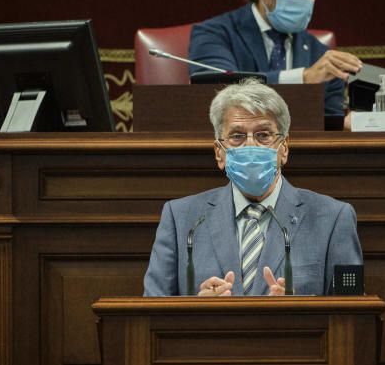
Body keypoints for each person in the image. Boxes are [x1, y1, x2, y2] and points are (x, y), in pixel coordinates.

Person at [143, 79, 362, 297]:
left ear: (284, 148)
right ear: (219, 152)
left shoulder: (333, 218)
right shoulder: (181, 218)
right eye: (237, 136)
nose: (250, 145)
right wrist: (195, 313)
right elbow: (151, 314)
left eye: (263, 135)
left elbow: (352, 318)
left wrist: (301, 313)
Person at [188, 0, 363, 120]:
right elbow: (217, 91)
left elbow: (329, 122)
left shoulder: (319, 54)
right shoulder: (214, 34)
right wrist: (302, 79)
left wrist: (347, 124)